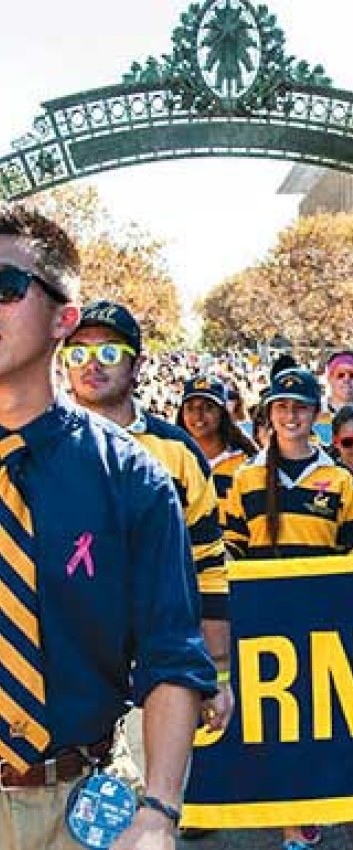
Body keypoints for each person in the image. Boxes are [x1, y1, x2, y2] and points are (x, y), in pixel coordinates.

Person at [0, 204, 215, 850]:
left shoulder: (133, 479)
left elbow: (171, 656)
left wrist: (158, 812)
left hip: (84, 809)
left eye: (5, 289)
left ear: (64, 317)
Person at [64, 301, 233, 741]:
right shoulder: (38, 447)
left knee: (153, 804)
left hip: (157, 672)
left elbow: (209, 568)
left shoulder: (178, 452)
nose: (92, 365)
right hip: (61, 673)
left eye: (109, 353)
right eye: (78, 352)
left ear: (137, 364)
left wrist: (218, 671)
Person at [223, 367, 353, 850]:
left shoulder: (340, 480)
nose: (291, 415)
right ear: (268, 413)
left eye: (300, 406)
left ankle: (309, 805)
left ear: (316, 414)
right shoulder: (244, 479)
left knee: (316, 719)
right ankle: (288, 819)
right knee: (273, 722)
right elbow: (231, 553)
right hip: (264, 623)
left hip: (323, 621)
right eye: (281, 406)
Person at [176, 374, 259, 525]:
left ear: (222, 413)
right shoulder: (174, 460)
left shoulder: (246, 463)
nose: (198, 415)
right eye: (190, 408)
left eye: (207, 407)